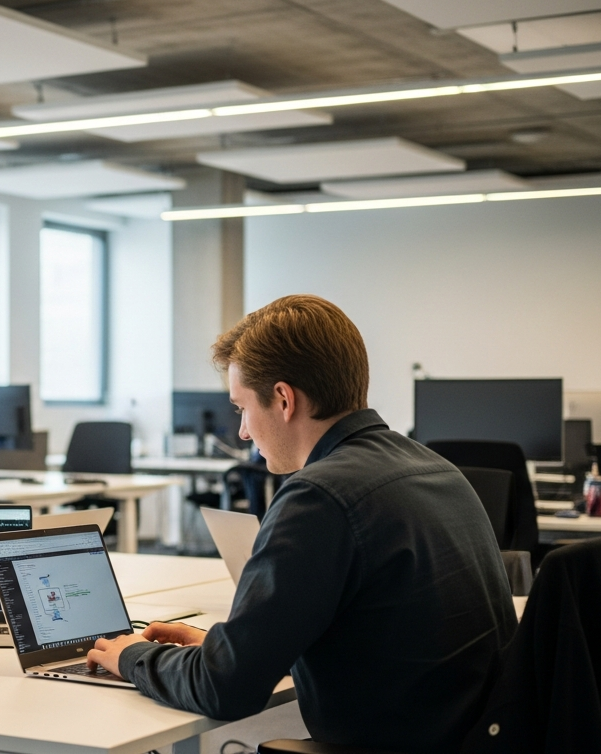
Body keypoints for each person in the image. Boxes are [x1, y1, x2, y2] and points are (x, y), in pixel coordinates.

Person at [85, 295, 517, 753]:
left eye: (241, 408)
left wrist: (132, 656)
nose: (243, 433)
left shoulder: (319, 496)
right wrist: (224, 647)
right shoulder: (436, 470)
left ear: (284, 399)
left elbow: (224, 690)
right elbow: (383, 636)